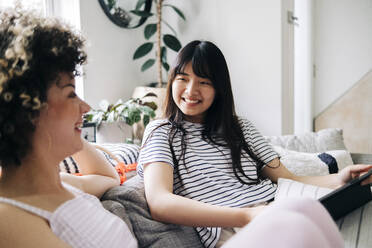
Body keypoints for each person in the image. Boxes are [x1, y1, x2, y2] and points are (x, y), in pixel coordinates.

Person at [137, 40, 372, 248]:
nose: (191, 90)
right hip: (233, 226)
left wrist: (338, 179)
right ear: (172, 82)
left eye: (204, 82)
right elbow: (159, 202)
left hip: (275, 206)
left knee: (313, 212)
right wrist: (247, 216)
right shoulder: (162, 131)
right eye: (183, 79)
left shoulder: (240, 127)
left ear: (219, 89)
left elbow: (289, 178)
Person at [0, 8, 137, 248]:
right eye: (71, 94)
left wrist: (71, 127)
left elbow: (108, 177)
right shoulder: (8, 216)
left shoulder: (62, 183)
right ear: (29, 109)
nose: (86, 106)